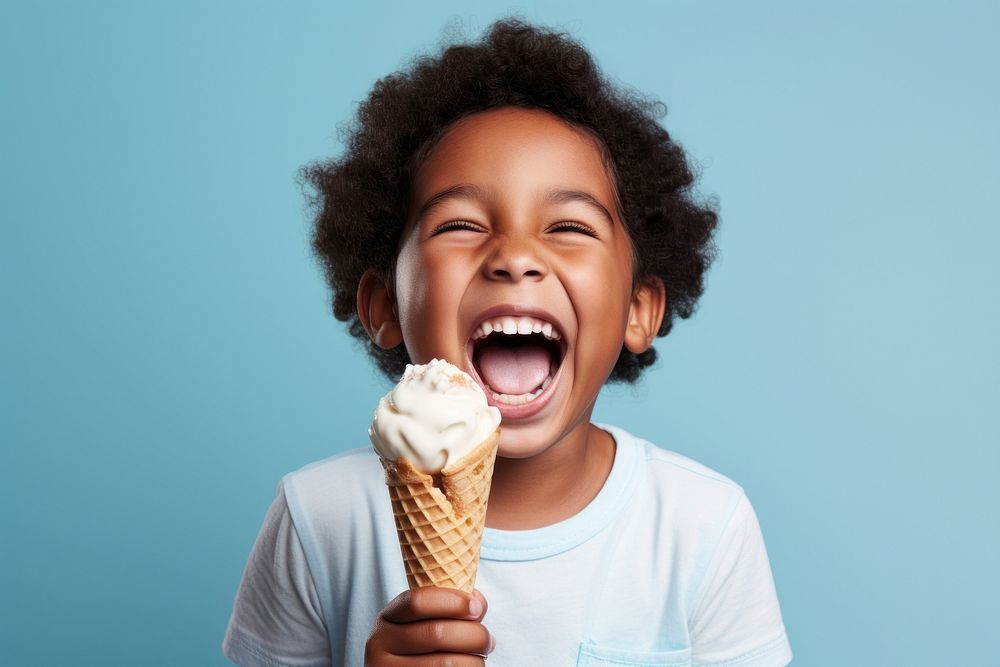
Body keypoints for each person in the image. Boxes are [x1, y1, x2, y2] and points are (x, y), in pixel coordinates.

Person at [223, 17, 792, 667]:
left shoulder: (702, 527)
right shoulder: (318, 518)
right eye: (461, 223)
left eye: (569, 225)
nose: (515, 257)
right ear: (383, 304)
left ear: (639, 308)